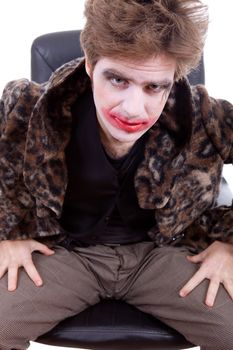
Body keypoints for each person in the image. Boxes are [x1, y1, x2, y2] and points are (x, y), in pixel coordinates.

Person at [0, 0, 232, 349]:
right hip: (65, 253)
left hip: (165, 253)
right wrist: (7, 232)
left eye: (155, 87)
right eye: (117, 79)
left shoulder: (202, 113)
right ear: (91, 65)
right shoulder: (28, 105)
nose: (133, 108)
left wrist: (229, 243)